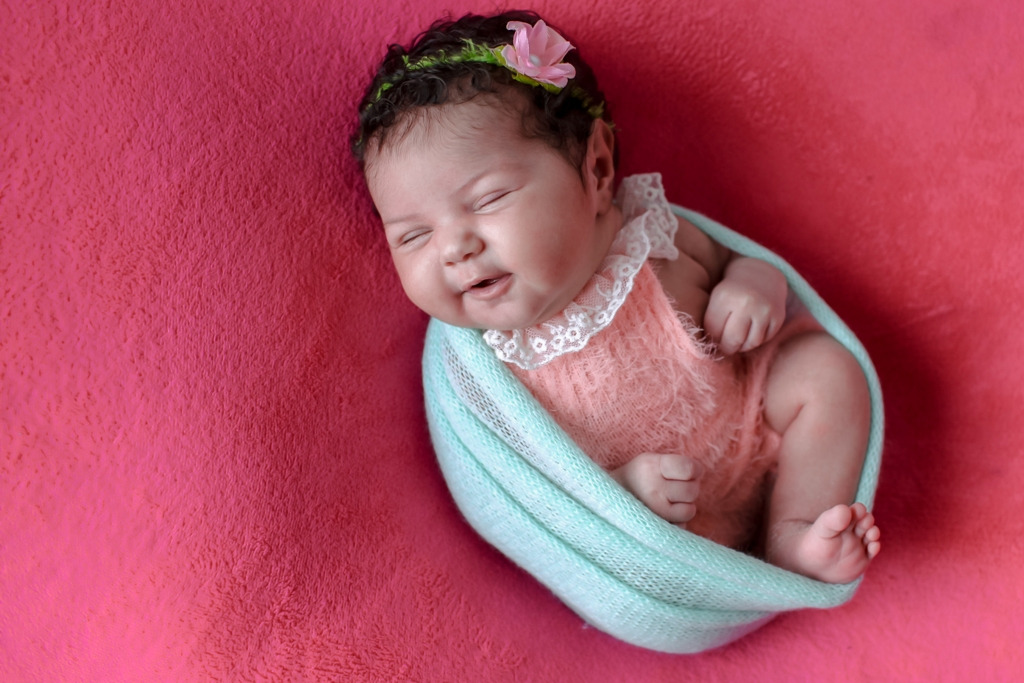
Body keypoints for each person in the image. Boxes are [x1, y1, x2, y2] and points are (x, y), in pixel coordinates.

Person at [352, 10, 880, 583]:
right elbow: (533, 495)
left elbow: (735, 261)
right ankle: (731, 571)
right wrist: (620, 491)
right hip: (668, 533)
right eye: (413, 236)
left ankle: (794, 530)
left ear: (597, 168)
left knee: (826, 371)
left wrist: (754, 287)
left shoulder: (650, 236)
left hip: (756, 428)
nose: (455, 249)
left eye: (488, 199)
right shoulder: (487, 364)